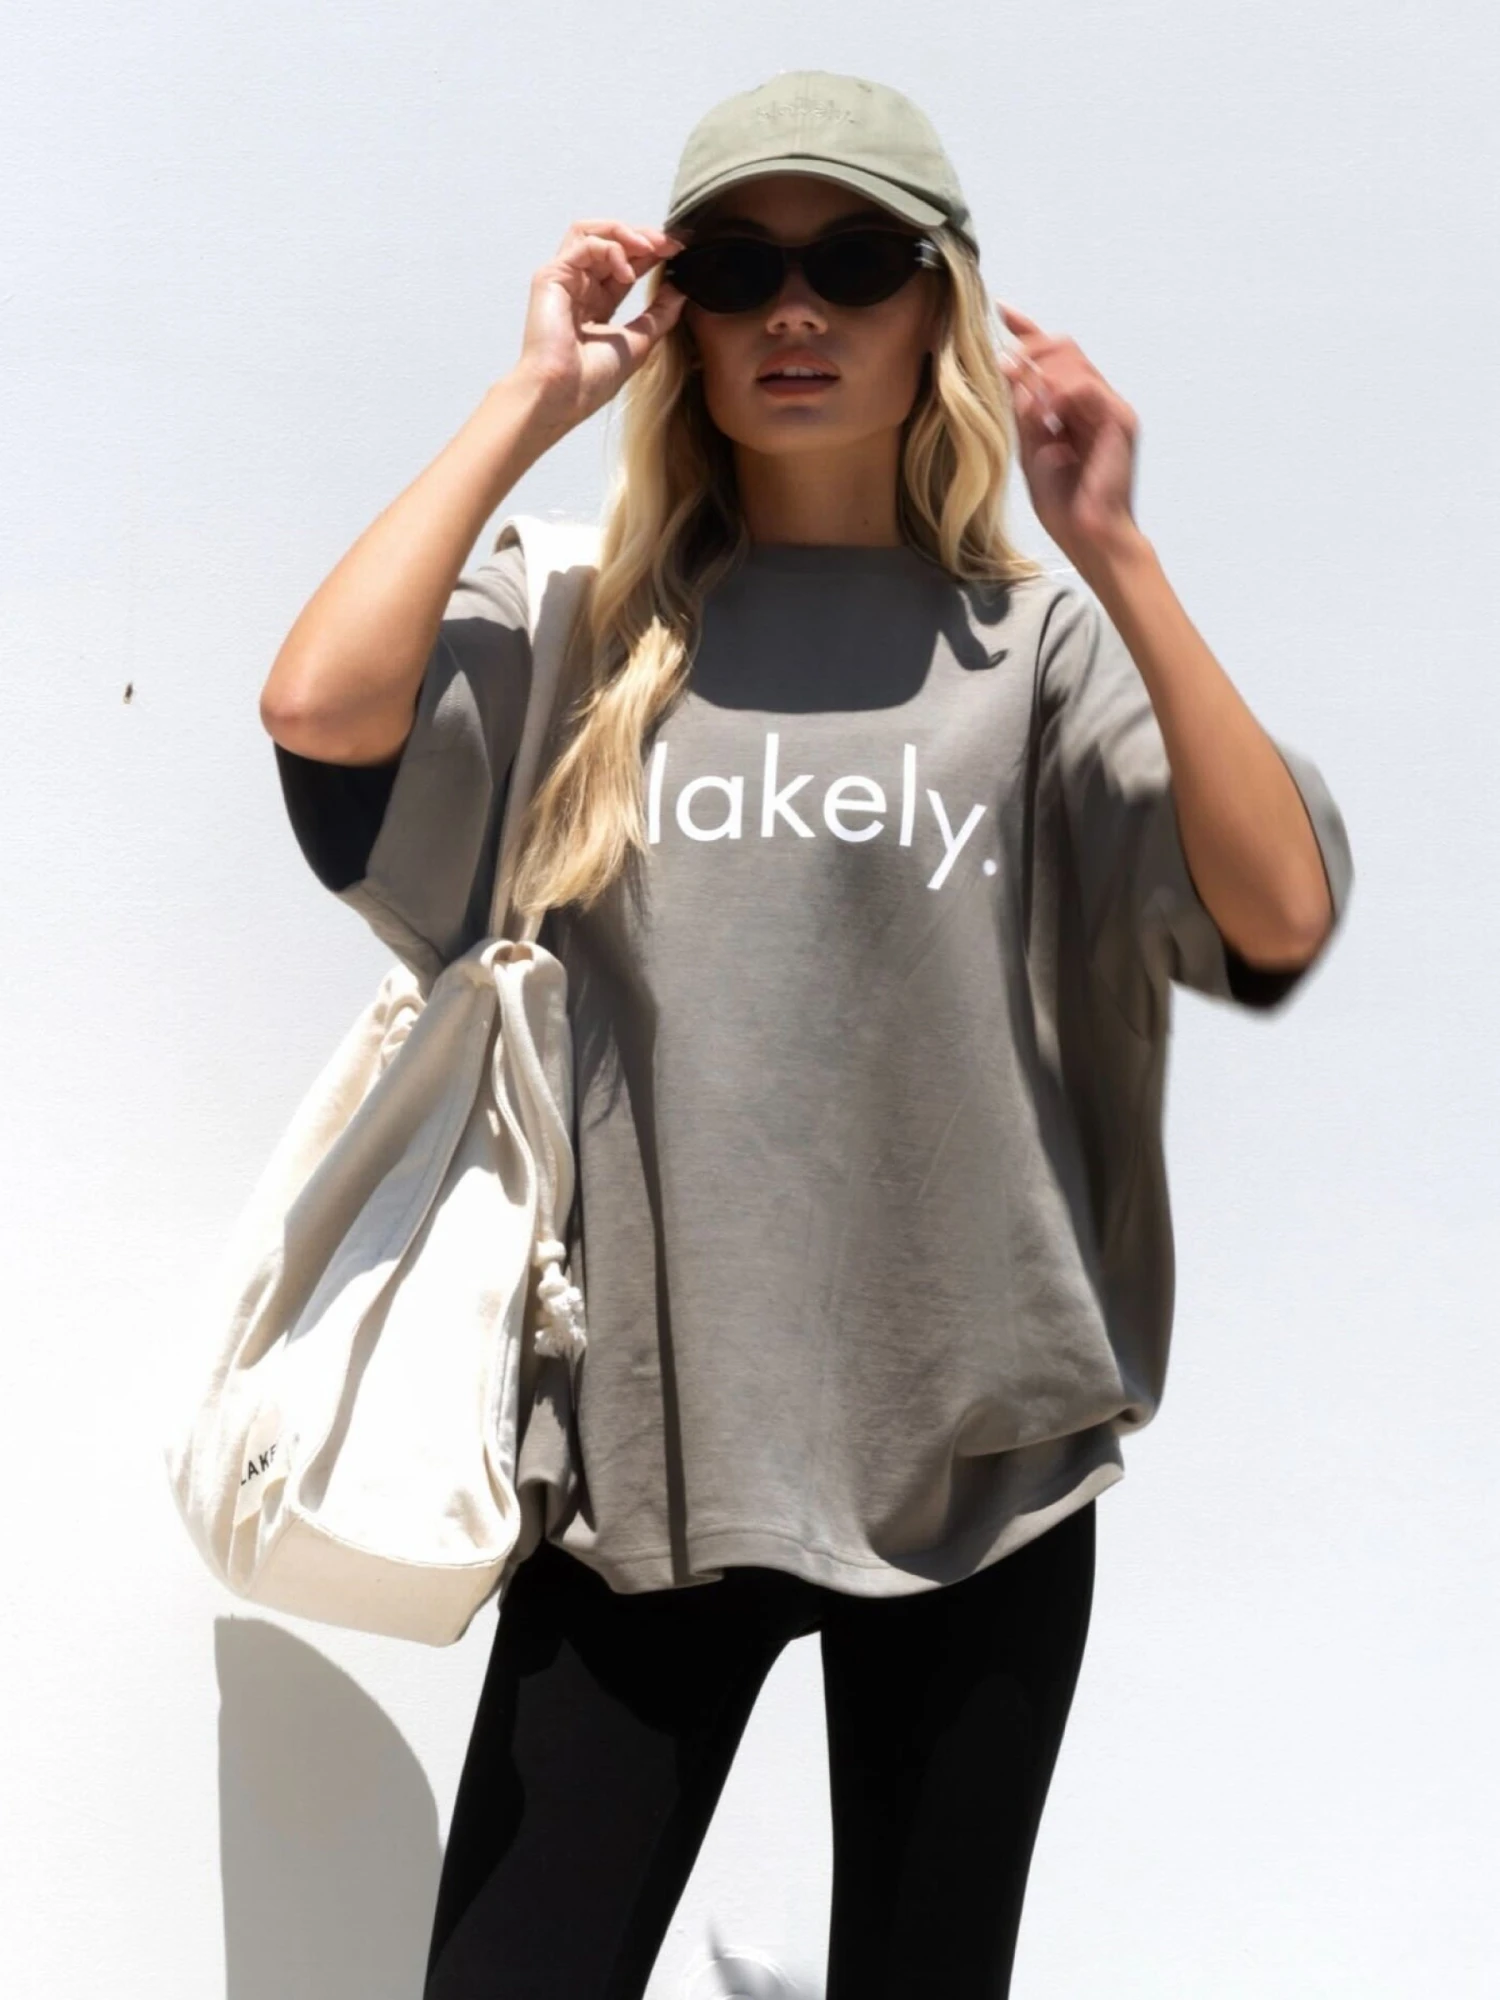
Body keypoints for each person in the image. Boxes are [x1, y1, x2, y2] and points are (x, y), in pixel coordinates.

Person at [260, 68, 1354, 2000]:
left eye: (853, 263)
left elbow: (1275, 912)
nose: (795, 309)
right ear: (677, 312)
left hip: (977, 1462)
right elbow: (321, 710)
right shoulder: (593, 623)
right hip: (641, 1469)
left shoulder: (1032, 647)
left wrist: (1116, 549)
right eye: (738, 268)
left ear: (937, 307)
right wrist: (528, 403)